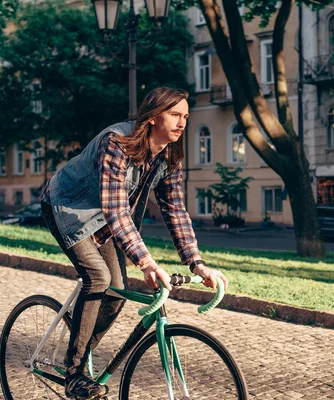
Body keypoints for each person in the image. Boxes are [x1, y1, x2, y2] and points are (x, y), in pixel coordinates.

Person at [40, 87, 228, 399]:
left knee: (115, 292)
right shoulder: (117, 142)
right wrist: (147, 262)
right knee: (98, 277)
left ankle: (81, 357)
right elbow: (116, 209)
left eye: (186, 117)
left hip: (106, 220)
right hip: (67, 208)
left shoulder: (169, 155)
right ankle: (74, 374)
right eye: (175, 115)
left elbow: (175, 210)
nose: (182, 123)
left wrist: (196, 262)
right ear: (154, 117)